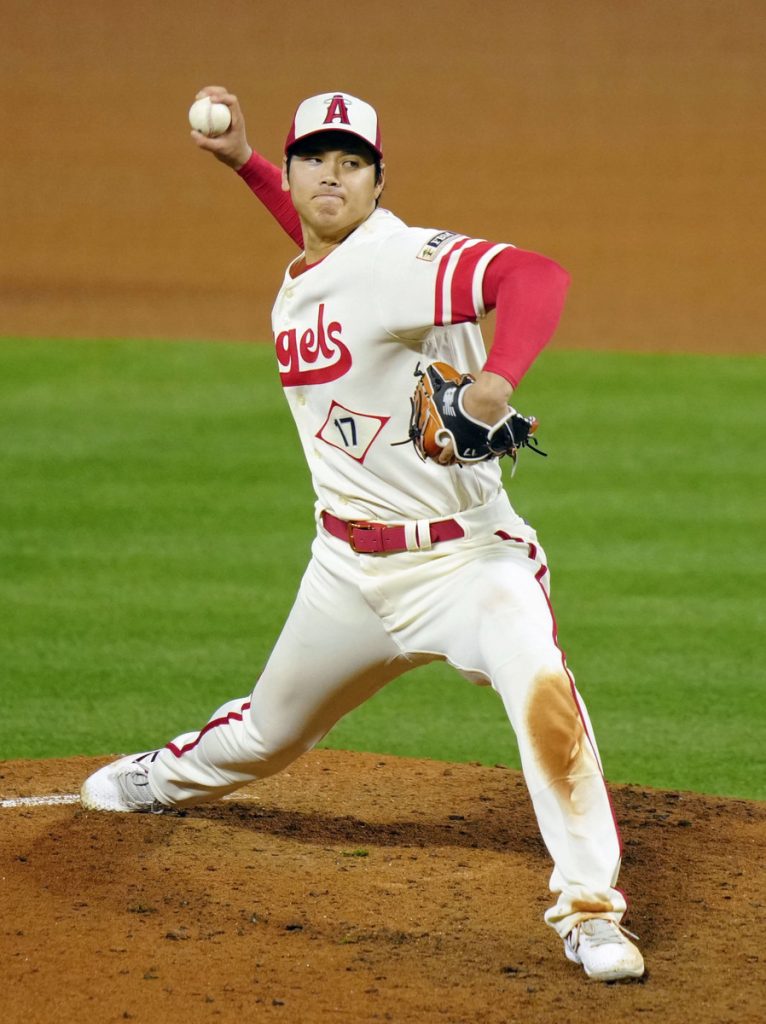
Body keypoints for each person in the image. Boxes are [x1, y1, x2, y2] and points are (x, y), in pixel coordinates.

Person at [81, 87, 645, 982]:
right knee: (267, 736)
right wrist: (245, 163)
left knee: (542, 690)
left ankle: (588, 910)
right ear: (300, 169)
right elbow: (319, 238)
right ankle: (171, 777)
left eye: (352, 164)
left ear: (381, 182)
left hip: (468, 560)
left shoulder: (402, 259)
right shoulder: (328, 257)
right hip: (345, 571)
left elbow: (536, 276)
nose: (330, 178)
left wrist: (498, 377)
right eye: (316, 161)